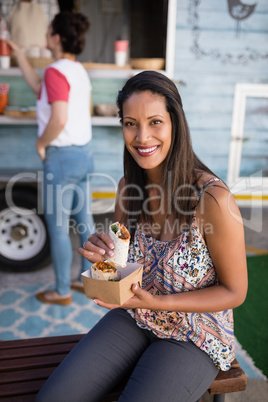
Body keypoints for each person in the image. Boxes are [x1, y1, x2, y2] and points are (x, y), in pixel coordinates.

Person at [35, 71, 248, 401]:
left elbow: (235, 291)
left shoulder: (213, 199)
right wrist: (103, 258)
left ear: (175, 123)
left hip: (194, 334)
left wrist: (161, 303)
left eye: (155, 122)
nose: (142, 136)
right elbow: (120, 264)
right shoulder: (127, 189)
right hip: (135, 316)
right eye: (131, 123)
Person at [8, 11, 95, 305]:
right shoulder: (76, 70)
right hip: (84, 155)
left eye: (48, 32)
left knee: (58, 229)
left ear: (57, 38)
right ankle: (88, 279)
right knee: (84, 223)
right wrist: (18, 52)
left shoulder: (56, 71)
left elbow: (58, 118)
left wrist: (41, 143)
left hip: (61, 157)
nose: (46, 36)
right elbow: (37, 87)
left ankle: (61, 291)